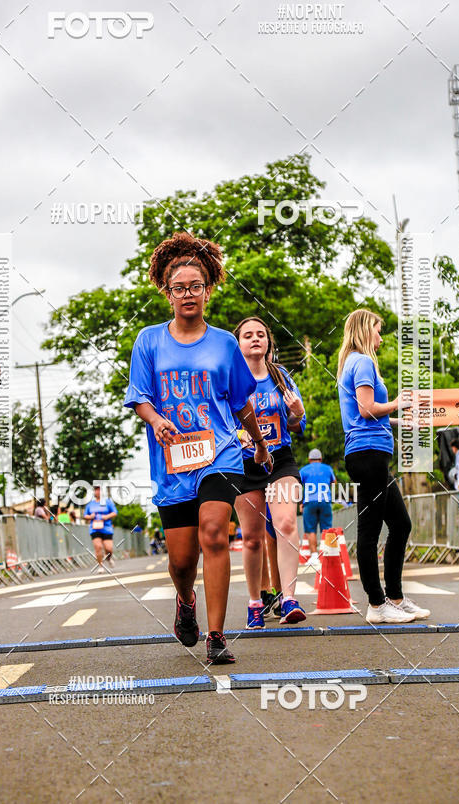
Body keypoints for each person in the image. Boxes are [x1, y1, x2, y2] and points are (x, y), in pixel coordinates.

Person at [124, 232, 271, 665]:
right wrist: (156, 419)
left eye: (195, 287)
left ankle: (217, 635)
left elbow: (241, 402)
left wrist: (260, 446)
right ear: (166, 292)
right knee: (183, 560)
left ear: (208, 291)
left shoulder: (226, 343)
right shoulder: (149, 341)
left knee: (214, 533)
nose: (188, 294)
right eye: (179, 288)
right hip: (172, 460)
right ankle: (185, 600)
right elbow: (139, 396)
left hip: (220, 452)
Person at [337, 308, 429, 624]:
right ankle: (377, 605)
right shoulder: (362, 362)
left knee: (401, 524)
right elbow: (366, 410)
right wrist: (397, 403)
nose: (380, 337)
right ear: (365, 331)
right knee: (371, 530)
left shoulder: (353, 362)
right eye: (377, 330)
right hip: (368, 454)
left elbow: (365, 412)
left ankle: (395, 598)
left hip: (369, 452)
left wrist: (398, 419)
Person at [233, 316, 307, 630]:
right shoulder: (229, 380)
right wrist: (240, 435)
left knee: (286, 522)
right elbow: (217, 422)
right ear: (237, 344)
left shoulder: (281, 377)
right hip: (244, 464)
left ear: (268, 342)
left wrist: (297, 415)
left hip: (280, 460)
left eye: (261, 334)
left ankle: (289, 598)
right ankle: (254, 602)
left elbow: (297, 427)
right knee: (251, 538)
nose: (255, 339)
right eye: (248, 335)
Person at [299, 449, 336, 564]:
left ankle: (314, 556)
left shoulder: (304, 470)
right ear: (320, 459)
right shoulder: (328, 468)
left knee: (310, 530)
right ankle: (329, 554)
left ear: (309, 459)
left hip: (309, 502)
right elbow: (334, 483)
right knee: (327, 528)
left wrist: (300, 503)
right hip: (325, 500)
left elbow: (298, 487)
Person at [84, 484, 118, 571]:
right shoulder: (90, 504)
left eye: (99, 490)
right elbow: (85, 516)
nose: (97, 491)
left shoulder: (108, 502)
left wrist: (106, 517)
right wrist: (90, 516)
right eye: (96, 490)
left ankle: (109, 558)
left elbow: (115, 512)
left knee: (109, 548)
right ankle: (100, 566)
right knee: (98, 547)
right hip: (95, 528)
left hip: (106, 528)